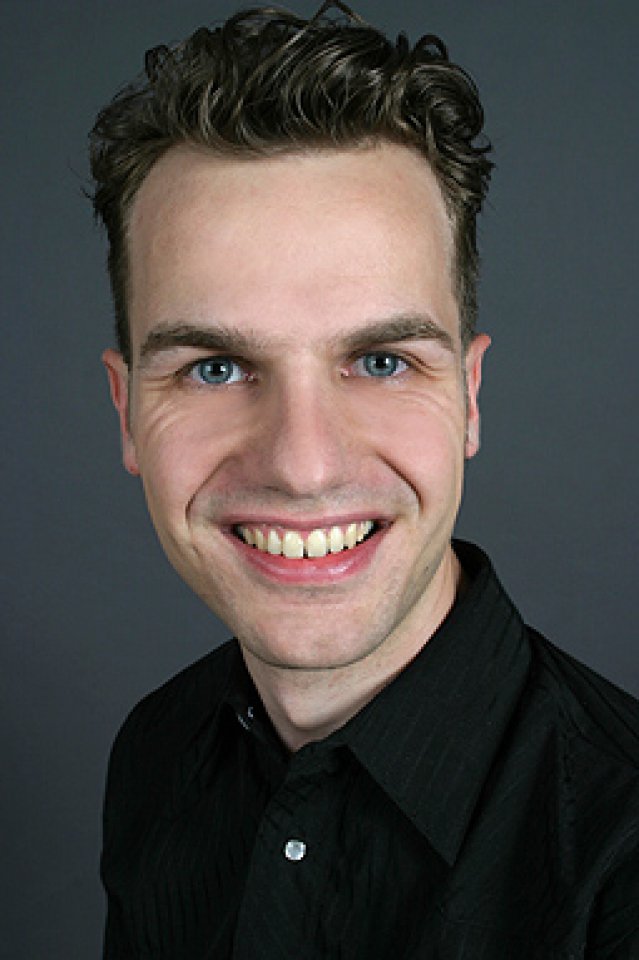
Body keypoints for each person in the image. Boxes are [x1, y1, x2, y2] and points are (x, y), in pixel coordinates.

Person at [89, 3, 639, 957]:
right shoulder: (155, 751)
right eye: (215, 368)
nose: (303, 465)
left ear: (467, 397)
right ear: (126, 408)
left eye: (381, 361)